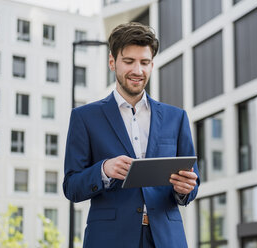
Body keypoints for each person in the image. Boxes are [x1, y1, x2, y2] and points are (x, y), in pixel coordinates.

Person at [63, 22, 200, 248]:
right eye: (129, 61)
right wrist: (103, 170)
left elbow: (192, 183)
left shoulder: (177, 118)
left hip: (166, 239)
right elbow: (71, 186)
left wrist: (186, 189)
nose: (138, 70)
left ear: (152, 65)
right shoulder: (84, 118)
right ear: (112, 62)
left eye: (144, 62)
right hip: (109, 239)